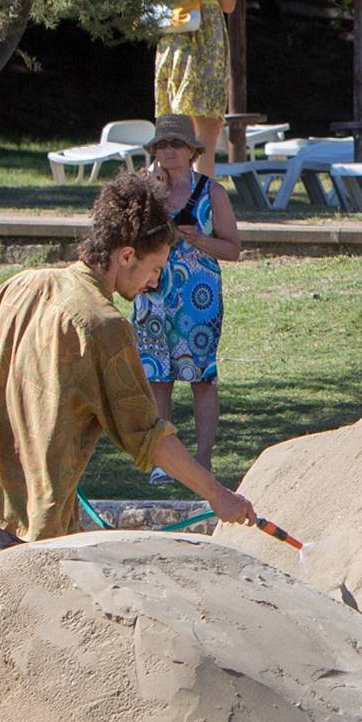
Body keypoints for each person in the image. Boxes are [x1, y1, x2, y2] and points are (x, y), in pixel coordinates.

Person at [0, 176, 256, 560]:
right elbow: (149, 437)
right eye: (155, 268)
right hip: (23, 526)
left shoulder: (22, 285)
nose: (155, 282)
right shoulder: (105, 327)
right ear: (125, 255)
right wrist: (220, 496)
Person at [133, 114, 242, 474]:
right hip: (153, 293)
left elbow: (233, 249)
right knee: (157, 378)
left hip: (199, 298)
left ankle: (203, 459)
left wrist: (199, 238)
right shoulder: (146, 191)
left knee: (201, 378)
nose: (168, 151)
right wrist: (151, 192)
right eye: (162, 144)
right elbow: (128, 236)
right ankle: (164, 461)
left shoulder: (212, 191)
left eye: (176, 143)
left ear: (192, 151)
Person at [148, 0, 242, 172]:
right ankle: (163, 199)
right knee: (177, 129)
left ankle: (202, 204)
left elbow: (229, 4)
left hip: (211, 44)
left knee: (208, 128)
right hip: (183, 42)